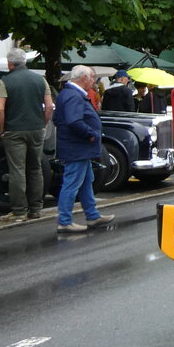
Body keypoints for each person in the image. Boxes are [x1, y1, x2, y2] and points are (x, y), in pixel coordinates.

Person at [52, 64, 115, 233]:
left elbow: (57, 119)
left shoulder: (68, 94)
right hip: (77, 148)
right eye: (92, 77)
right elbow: (74, 121)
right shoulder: (74, 96)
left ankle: (92, 216)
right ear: (83, 78)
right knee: (72, 183)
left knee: (86, 181)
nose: (94, 81)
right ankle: (64, 221)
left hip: (77, 147)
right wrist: (90, 134)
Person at [0, 48, 54, 222]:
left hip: (14, 130)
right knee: (35, 168)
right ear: (25, 62)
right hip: (36, 129)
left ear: (9, 63)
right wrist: (42, 123)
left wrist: (1, 129)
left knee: (17, 170)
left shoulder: (5, 81)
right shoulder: (40, 80)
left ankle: (19, 210)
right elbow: (49, 106)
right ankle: (36, 208)